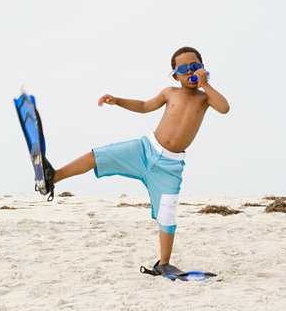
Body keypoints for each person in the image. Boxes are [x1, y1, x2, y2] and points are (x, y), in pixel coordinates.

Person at [47, 46, 230, 275]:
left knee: (167, 213)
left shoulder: (205, 98)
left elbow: (225, 108)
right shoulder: (169, 92)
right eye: (184, 69)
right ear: (175, 75)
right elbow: (144, 106)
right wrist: (118, 100)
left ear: (203, 69)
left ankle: (163, 263)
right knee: (100, 156)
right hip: (145, 150)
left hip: (169, 167)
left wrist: (207, 84)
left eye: (195, 67)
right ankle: (53, 177)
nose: (190, 72)